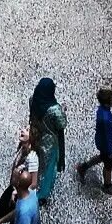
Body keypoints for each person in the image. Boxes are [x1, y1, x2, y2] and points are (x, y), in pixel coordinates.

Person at [0, 126, 40, 224]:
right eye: (24, 128)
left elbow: (34, 183)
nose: (22, 130)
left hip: (20, 195)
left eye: (27, 130)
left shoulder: (32, 157)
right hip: (13, 189)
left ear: (32, 137)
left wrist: (17, 192)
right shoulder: (22, 149)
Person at [75, 86, 112, 195]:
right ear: (107, 103)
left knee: (102, 157)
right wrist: (110, 151)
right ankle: (107, 185)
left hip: (101, 141)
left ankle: (83, 167)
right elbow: (107, 136)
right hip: (106, 144)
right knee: (108, 165)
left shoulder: (102, 111)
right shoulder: (105, 118)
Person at [29, 77, 66, 205]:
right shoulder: (55, 110)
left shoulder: (33, 100)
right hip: (49, 142)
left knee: (35, 161)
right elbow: (62, 124)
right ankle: (41, 194)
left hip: (35, 135)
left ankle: (30, 181)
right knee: (48, 167)